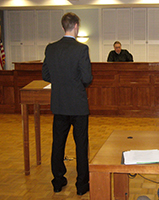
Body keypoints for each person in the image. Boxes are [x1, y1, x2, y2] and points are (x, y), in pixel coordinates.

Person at [42, 12, 93, 196]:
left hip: (59, 104)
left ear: (63, 26)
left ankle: (57, 181)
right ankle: (81, 185)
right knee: (81, 146)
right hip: (78, 106)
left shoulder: (51, 48)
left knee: (58, 144)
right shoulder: (81, 49)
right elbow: (87, 78)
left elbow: (45, 75)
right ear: (76, 26)